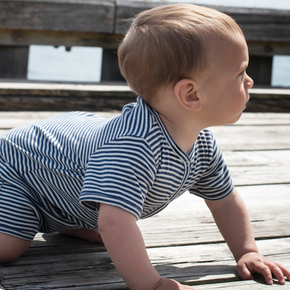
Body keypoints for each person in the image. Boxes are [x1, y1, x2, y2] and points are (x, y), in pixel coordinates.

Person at [0, 3, 289, 290]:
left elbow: (224, 199)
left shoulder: (201, 142)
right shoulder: (133, 148)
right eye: (240, 73)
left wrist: (247, 251)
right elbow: (115, 224)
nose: (250, 81)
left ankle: (67, 219)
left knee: (106, 222)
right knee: (9, 246)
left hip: (61, 176)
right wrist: (152, 284)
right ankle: (49, 216)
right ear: (190, 94)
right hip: (18, 171)